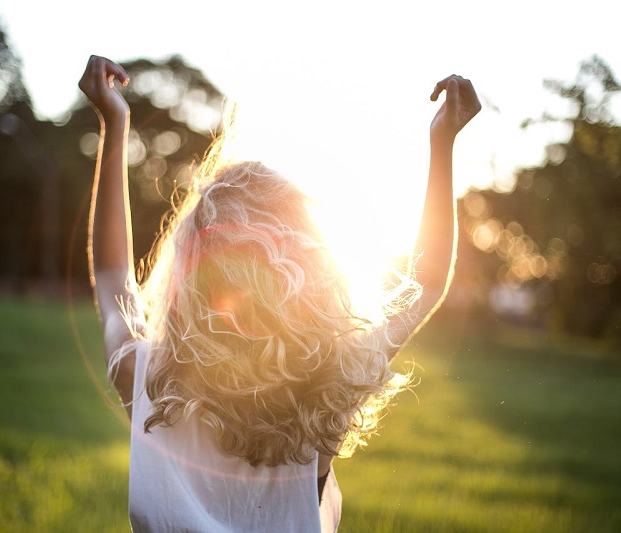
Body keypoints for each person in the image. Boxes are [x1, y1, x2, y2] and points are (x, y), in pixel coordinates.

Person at [79, 55, 480, 532]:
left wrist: (114, 122)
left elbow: (113, 276)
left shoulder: (146, 378)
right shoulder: (327, 390)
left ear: (189, 275)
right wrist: (443, 143)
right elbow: (426, 279)